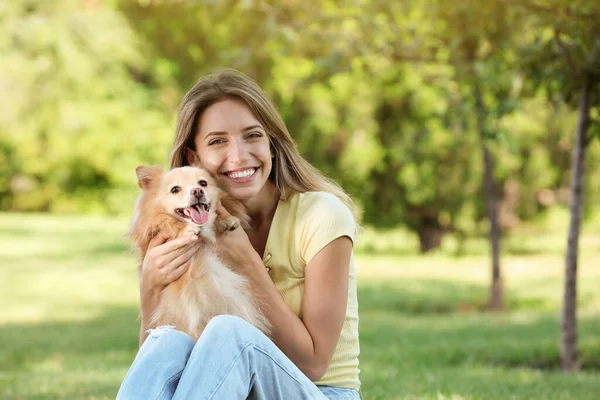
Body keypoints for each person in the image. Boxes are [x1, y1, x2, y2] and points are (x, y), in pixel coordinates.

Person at [117, 69, 361, 400]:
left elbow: (314, 364)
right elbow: (159, 374)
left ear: (272, 145)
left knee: (229, 332)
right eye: (218, 141)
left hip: (320, 393)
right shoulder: (190, 229)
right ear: (194, 157)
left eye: (252, 136)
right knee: (169, 340)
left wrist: (245, 259)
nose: (238, 156)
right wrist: (150, 290)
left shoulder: (321, 215)